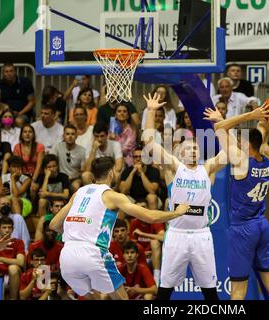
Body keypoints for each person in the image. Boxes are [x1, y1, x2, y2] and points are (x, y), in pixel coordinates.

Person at [49, 156, 189, 300]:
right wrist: (177, 213)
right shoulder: (112, 196)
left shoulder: (79, 193)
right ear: (111, 173)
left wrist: (78, 231)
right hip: (92, 253)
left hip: (67, 256)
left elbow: (53, 224)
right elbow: (149, 216)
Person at [144, 92, 227, 301]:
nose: (193, 151)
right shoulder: (173, 168)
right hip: (177, 235)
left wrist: (222, 122)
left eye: (196, 148)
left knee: (210, 292)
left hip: (201, 236)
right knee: (165, 291)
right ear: (179, 152)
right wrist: (152, 111)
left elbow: (231, 152)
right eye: (188, 148)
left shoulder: (207, 169)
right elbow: (149, 142)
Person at [204, 104, 269, 300]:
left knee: (238, 290)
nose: (238, 143)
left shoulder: (241, 162)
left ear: (247, 145)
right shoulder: (267, 154)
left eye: (241, 141)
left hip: (243, 229)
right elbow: (263, 127)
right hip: (262, 225)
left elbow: (220, 130)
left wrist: (250, 114)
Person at [0, 216, 25, 300]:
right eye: (4, 227)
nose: (7, 230)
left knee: (13, 268)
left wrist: (0, 259)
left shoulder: (18, 242)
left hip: (14, 276)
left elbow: (21, 262)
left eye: (9, 227)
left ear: (13, 229)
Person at [119, 146, 161, 210]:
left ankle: (151, 219)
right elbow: (123, 191)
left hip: (150, 200)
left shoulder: (153, 171)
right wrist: (132, 172)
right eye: (135, 157)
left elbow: (152, 191)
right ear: (132, 159)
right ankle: (122, 220)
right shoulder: (127, 171)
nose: (138, 159)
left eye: (141, 157)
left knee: (152, 197)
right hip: (133, 200)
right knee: (122, 198)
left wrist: (141, 173)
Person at [50, 124, 86, 193]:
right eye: (67, 134)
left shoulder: (82, 150)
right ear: (63, 136)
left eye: (72, 134)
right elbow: (50, 162)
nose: (70, 136)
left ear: (76, 136)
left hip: (74, 178)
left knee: (75, 186)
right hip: (59, 177)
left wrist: (73, 177)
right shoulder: (57, 147)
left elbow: (82, 171)